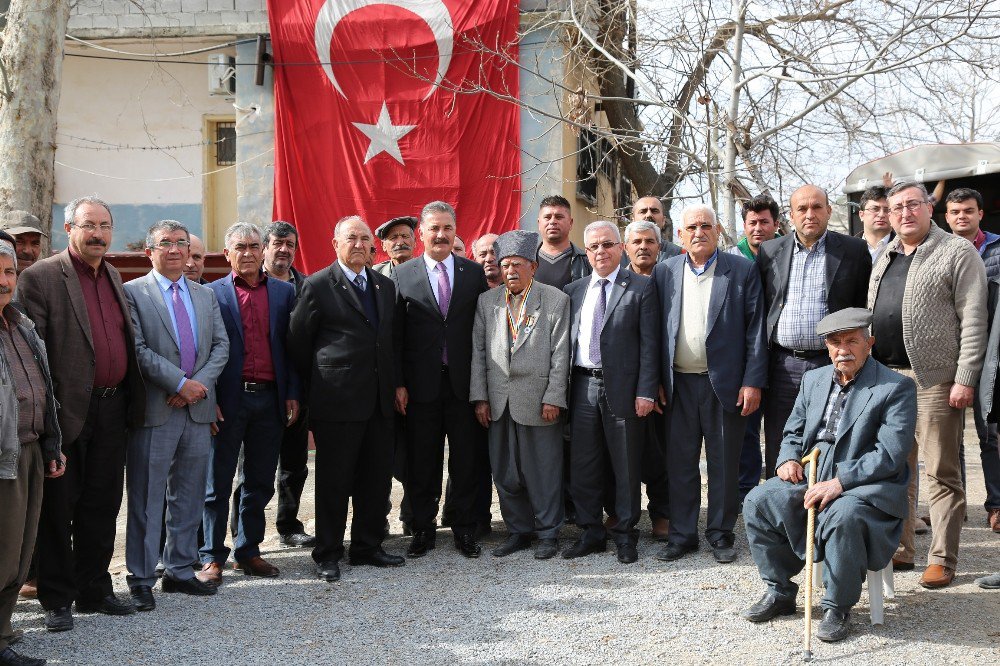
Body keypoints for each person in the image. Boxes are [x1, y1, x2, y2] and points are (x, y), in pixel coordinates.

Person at [742, 308, 916, 644]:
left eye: (851, 341)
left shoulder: (896, 387)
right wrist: (788, 459)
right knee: (758, 500)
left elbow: (890, 455)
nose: (842, 349)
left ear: (870, 343)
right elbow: (792, 430)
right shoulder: (814, 379)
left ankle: (837, 606)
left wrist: (840, 482)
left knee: (843, 516)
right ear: (826, 346)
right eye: (834, 342)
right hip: (813, 471)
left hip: (866, 484)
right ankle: (779, 590)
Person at [17, 196, 146, 631]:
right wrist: (50, 419)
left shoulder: (111, 273)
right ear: (69, 229)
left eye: (105, 226)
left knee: (103, 503)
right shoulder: (40, 278)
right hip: (67, 411)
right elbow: (36, 357)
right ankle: (56, 597)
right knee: (59, 506)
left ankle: (95, 588)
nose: (98, 234)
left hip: (113, 408)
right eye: (89, 225)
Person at [869, 181, 987, 588]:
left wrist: (965, 377)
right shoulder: (885, 253)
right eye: (896, 206)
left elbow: (974, 318)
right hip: (887, 379)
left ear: (929, 208)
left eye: (912, 205)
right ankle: (902, 548)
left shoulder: (957, 251)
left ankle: (943, 558)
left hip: (935, 380)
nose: (904, 213)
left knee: (940, 472)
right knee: (896, 469)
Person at [288, 216, 404, 583]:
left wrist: (397, 383)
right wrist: (318, 385)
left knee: (375, 479)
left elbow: (392, 342)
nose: (358, 244)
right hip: (337, 401)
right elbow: (298, 341)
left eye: (364, 239)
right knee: (334, 482)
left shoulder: (385, 286)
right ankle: (327, 552)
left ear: (373, 246)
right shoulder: (318, 284)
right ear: (334, 243)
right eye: (350, 238)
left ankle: (367, 546)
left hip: (379, 401)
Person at [123, 221, 229, 609]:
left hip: (197, 411)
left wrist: (196, 386)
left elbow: (221, 346)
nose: (173, 250)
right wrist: (179, 383)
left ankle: (181, 570)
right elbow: (137, 349)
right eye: (164, 244)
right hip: (157, 409)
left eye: (180, 244)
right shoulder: (132, 293)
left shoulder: (204, 295)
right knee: (147, 498)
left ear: (189, 252)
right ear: (149, 252)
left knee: (188, 495)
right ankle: (141, 575)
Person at [652, 204, 767, 563]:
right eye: (691, 227)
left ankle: (720, 533)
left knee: (723, 464)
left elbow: (756, 331)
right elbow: (655, 332)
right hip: (679, 385)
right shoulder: (664, 272)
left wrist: (752, 381)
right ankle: (683, 535)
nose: (698, 232)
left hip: (726, 385)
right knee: (681, 463)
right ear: (680, 235)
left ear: (717, 231)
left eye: (706, 225)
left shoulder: (743, 270)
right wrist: (656, 378)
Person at [199, 223, 299, 583]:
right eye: (239, 247)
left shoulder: (284, 293)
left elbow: (291, 349)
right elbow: (203, 353)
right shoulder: (211, 294)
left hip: (269, 399)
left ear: (264, 250)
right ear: (227, 253)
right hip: (228, 399)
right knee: (217, 482)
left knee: (259, 481)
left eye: (254, 246)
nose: (248, 253)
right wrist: (208, 401)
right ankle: (211, 556)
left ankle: (248, 550)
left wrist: (292, 393)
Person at [394, 202, 489, 559]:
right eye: (434, 228)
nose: (441, 234)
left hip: (464, 387)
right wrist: (399, 383)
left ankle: (464, 529)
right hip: (421, 388)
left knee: (465, 461)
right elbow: (396, 336)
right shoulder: (403, 275)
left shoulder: (472, 273)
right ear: (421, 233)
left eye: (447, 228)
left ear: (455, 231)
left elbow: (483, 334)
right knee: (423, 463)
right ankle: (422, 530)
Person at [757, 185, 871, 479]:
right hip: (782, 365)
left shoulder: (854, 250)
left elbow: (862, 306)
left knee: (830, 438)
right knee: (781, 441)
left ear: (829, 211)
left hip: (831, 362)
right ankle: (782, 511)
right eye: (802, 209)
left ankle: (824, 512)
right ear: (791, 215)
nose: (810, 214)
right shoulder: (770, 251)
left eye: (817, 207)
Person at [471, 230, 571, 559]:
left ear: (534, 266)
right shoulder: (487, 302)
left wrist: (554, 396)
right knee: (505, 469)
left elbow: (561, 355)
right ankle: (518, 530)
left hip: (539, 400)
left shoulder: (554, 300)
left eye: (518, 264)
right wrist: (480, 398)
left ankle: (547, 533)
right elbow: (478, 354)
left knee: (543, 469)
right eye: (505, 264)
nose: (510, 270)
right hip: (499, 401)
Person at [563, 221, 659, 564]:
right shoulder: (574, 291)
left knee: (626, 465)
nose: (600, 252)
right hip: (582, 385)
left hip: (624, 388)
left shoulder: (641, 287)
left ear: (621, 248)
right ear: (585, 252)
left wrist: (646, 391)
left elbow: (650, 345)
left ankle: (625, 533)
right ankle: (590, 532)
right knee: (584, 464)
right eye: (593, 247)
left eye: (607, 245)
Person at [0, 243, 64, 666]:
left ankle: (2, 628)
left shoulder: (20, 324)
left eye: (9, 272)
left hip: (29, 452)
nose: (4, 281)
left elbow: (43, 388)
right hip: (2, 458)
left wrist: (52, 443)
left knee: (20, 552)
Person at [944, 188, 1000, 533]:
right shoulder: (938, 251)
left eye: (968, 210)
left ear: (980, 213)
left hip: (991, 357)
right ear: (946, 217)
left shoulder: (996, 250)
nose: (961, 216)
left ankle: (996, 505)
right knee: (949, 438)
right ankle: (955, 505)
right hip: (951, 357)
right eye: (954, 212)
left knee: (990, 434)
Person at [260, 221, 314, 547]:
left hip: (300, 391)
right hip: (261, 389)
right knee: (253, 470)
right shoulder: (250, 284)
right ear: (265, 247)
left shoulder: (307, 286)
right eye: (278, 243)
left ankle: (288, 527)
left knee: (294, 466)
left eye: (290, 245)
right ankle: (244, 538)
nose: (284, 250)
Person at [726, 195, 781, 504]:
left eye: (764, 222)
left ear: (775, 224)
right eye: (752, 223)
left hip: (783, 357)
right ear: (744, 225)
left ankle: (778, 492)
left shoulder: (787, 255)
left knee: (781, 428)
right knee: (746, 430)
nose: (758, 228)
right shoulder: (731, 259)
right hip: (744, 358)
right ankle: (745, 494)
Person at [534, 195, 590, 290]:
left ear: (570, 223)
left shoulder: (586, 262)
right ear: (539, 223)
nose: (552, 222)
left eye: (559, 217)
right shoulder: (527, 261)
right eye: (547, 217)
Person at [631, 196, 683, 261]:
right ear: (633, 221)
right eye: (643, 211)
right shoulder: (620, 253)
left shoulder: (679, 254)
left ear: (663, 220)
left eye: (654, 211)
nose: (649, 215)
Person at [856, 186, 893, 264]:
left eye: (887, 210)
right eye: (875, 209)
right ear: (861, 215)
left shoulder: (904, 248)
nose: (881, 214)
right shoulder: (847, 248)